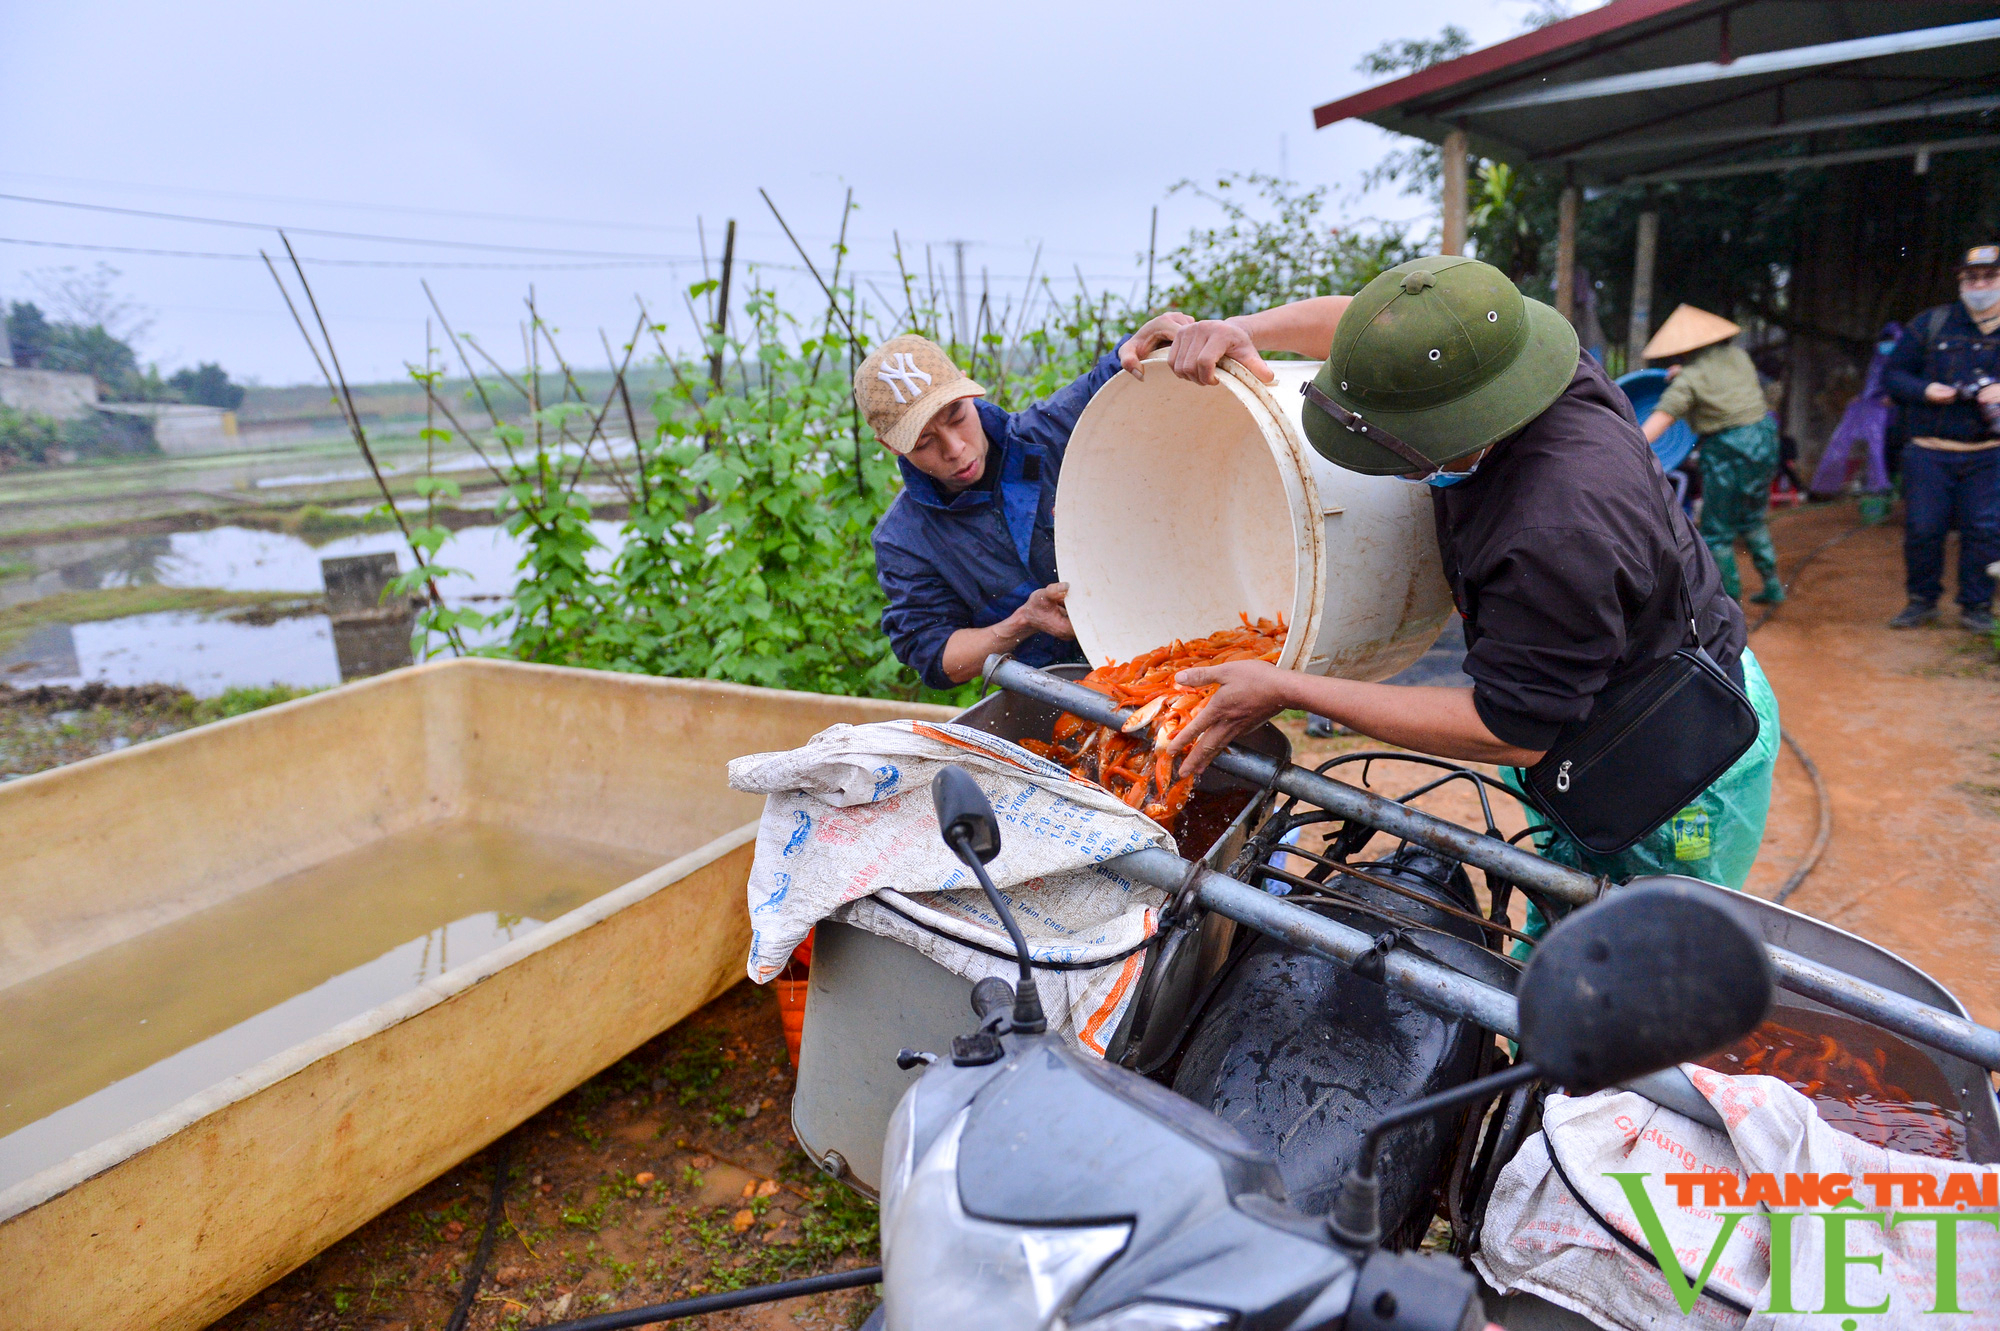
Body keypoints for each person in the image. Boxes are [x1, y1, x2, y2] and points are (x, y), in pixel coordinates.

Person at [1118, 257, 1780, 893]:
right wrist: (1247, 329)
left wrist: (1287, 688)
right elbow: (1376, 332)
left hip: (1680, 761)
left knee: (1644, 962)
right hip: (1599, 699)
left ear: (1461, 426)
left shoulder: (1553, 530)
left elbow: (1511, 730)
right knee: (1562, 912)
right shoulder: (1522, 361)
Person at [863, 326, 1171, 689]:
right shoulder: (904, 540)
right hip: (1056, 695)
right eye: (924, 442)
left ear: (968, 386)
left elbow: (1124, 367)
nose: (955, 449)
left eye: (957, 417)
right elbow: (935, 656)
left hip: (1162, 643)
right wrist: (1024, 621)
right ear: (891, 446)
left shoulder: (1055, 430)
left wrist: (1157, 335)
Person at [1879, 243, 2000, 634]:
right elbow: (1893, 376)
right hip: (1929, 451)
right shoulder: (1931, 324)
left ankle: (1977, 606)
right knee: (1923, 528)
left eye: (1989, 277)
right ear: (1961, 281)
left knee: (1985, 529)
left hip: (1990, 453)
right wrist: (1926, 390)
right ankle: (1921, 601)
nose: (1980, 284)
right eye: (1972, 277)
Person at [1637, 305, 1784, 605]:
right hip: (1765, 437)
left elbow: (1660, 421)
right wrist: (1685, 373)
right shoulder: (1739, 357)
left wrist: (1625, 445)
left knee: (1717, 532)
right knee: (1753, 518)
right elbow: (1716, 376)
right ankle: (1773, 585)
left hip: (1729, 448)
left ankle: (1729, 605)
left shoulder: (1688, 381)